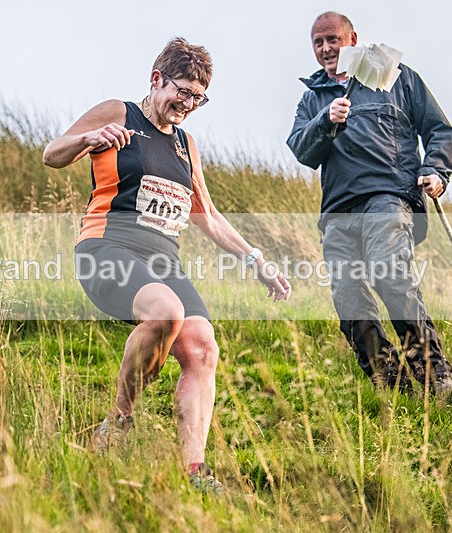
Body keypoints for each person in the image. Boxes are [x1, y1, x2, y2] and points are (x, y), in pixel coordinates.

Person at [44, 37, 291, 492]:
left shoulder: (186, 145)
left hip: (163, 261)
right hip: (106, 248)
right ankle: (118, 423)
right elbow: (52, 154)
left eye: (199, 97)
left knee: (202, 347)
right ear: (157, 79)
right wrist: (89, 139)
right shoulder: (119, 113)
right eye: (183, 91)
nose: (190, 103)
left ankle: (194, 472)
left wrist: (257, 260)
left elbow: (208, 217)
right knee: (166, 312)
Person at [287, 12, 452, 394]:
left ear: (352, 39)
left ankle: (434, 375)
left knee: (389, 273)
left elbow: (438, 129)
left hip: (389, 198)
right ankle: (394, 384)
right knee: (349, 299)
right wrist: (324, 122)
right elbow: (301, 149)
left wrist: (436, 171)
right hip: (338, 211)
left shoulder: (397, 78)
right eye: (318, 43)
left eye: (333, 39)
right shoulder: (312, 98)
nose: (326, 48)